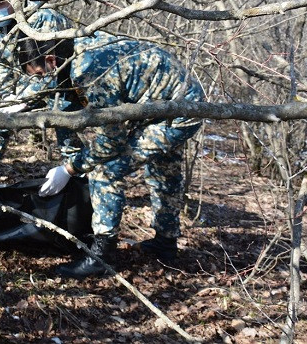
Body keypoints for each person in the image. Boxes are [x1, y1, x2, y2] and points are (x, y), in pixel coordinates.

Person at [19, 32, 204, 278]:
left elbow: (112, 142)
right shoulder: (71, 51)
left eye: (40, 75)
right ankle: (165, 244)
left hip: (180, 110)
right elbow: (66, 106)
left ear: (51, 60)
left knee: (106, 170)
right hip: (165, 102)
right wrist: (27, 104)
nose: (41, 82)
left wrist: (70, 168)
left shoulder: (89, 71)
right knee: (163, 171)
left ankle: (101, 256)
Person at [0, 0, 84, 182]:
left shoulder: (44, 17)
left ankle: (76, 174)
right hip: (26, 82)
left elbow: (51, 68)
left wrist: (22, 100)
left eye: (0, 2)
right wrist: (8, 97)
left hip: (64, 82)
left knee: (65, 123)